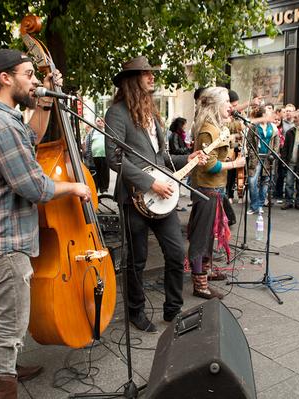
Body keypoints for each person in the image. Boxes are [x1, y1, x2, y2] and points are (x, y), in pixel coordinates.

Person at [0, 48, 91, 397]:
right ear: (5, 78)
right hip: (4, 240)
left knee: (9, 313)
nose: (34, 81)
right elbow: (34, 186)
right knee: (9, 324)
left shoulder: (1, 117)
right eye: (29, 74)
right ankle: (4, 382)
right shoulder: (2, 124)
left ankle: (10, 366)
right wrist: (74, 185)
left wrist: (46, 98)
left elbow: (30, 136)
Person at [104, 55, 207, 332]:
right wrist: (150, 183)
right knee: (135, 261)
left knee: (175, 252)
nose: (152, 77)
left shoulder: (152, 114)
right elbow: (114, 159)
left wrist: (189, 158)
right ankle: (135, 311)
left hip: (162, 198)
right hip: (134, 197)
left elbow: (161, 158)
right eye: (145, 73)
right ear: (131, 80)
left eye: (151, 73)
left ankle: (173, 309)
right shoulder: (117, 112)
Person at [188, 87, 245, 299]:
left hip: (215, 189)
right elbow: (208, 165)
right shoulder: (207, 129)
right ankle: (199, 284)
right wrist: (235, 164)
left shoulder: (216, 126)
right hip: (206, 189)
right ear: (215, 105)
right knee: (201, 238)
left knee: (209, 234)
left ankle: (207, 271)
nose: (230, 106)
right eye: (226, 102)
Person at [246, 106, 279, 215]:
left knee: (265, 182)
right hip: (256, 157)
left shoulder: (273, 127)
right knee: (252, 181)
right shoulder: (253, 126)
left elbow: (276, 143)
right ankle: (254, 206)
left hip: (268, 158)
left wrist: (273, 153)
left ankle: (260, 205)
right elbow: (249, 143)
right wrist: (252, 154)